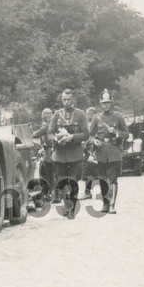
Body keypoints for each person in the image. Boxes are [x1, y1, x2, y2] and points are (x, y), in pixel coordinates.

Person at [47, 87, 89, 217]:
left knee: (73, 181)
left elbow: (86, 134)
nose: (66, 102)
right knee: (62, 182)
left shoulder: (80, 114)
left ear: (73, 100)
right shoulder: (57, 114)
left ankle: (71, 208)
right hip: (60, 155)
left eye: (68, 100)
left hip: (75, 154)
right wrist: (56, 139)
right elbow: (49, 133)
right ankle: (66, 202)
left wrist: (73, 137)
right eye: (64, 100)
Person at [88, 89, 128, 214]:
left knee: (113, 179)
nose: (106, 105)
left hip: (114, 152)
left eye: (108, 102)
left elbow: (126, 134)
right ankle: (105, 204)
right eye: (104, 103)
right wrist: (94, 141)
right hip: (101, 153)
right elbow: (89, 136)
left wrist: (116, 132)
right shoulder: (96, 119)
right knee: (102, 179)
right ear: (101, 103)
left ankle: (112, 205)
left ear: (112, 103)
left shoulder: (118, 118)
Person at [31, 108, 55, 199]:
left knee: (49, 174)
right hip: (48, 151)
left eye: (43, 116)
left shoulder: (47, 126)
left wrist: (31, 133)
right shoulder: (49, 124)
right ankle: (49, 192)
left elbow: (35, 134)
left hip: (50, 152)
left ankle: (52, 193)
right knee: (47, 173)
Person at [82, 106, 99, 199]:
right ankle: (87, 192)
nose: (86, 115)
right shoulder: (87, 124)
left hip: (95, 149)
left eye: (88, 113)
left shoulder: (96, 124)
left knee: (97, 171)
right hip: (88, 150)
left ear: (92, 114)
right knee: (87, 171)